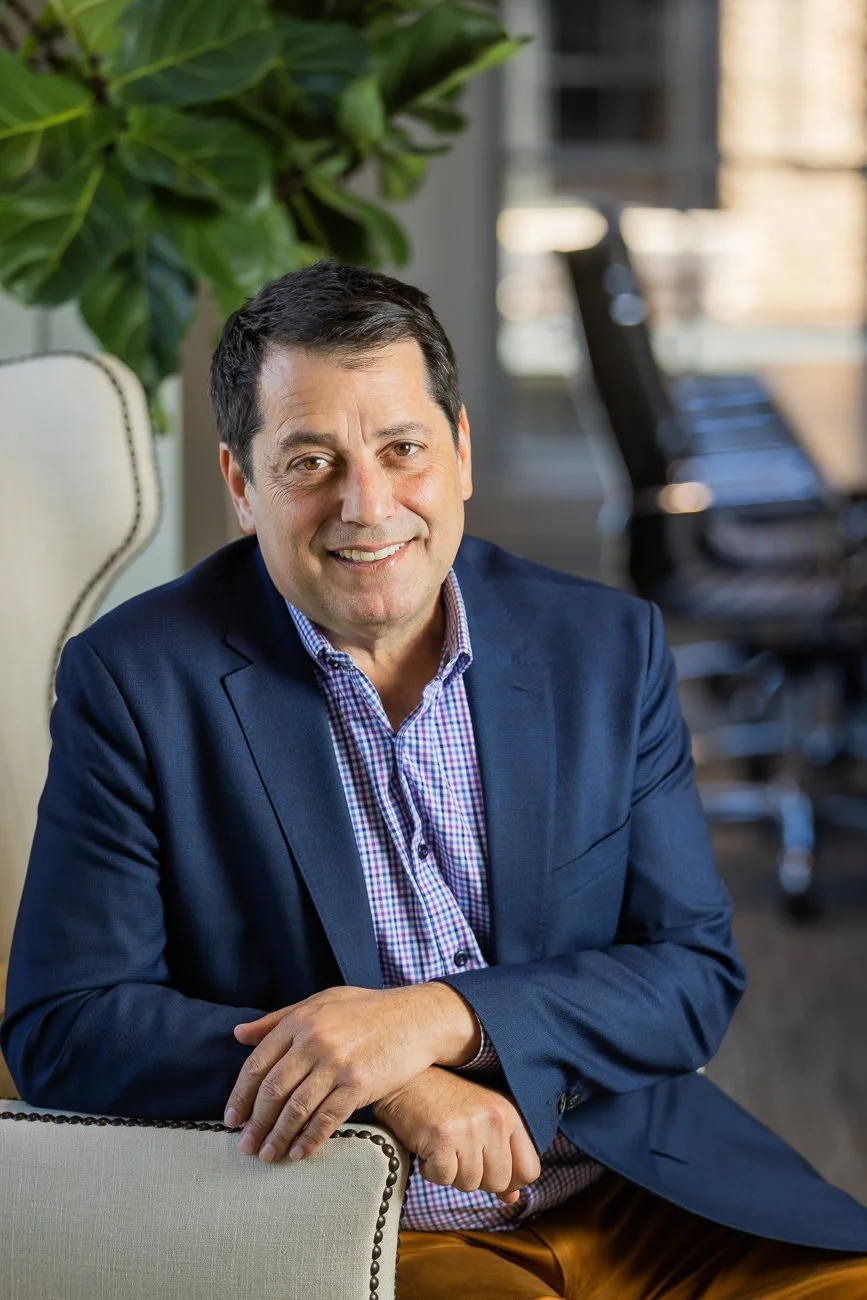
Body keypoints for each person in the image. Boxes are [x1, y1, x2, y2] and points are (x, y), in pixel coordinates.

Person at [2, 262, 866, 1299]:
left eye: (401, 448)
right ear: (241, 484)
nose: (366, 506)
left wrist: (440, 1016)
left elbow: (690, 976)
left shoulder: (603, 646)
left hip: (640, 1185)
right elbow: (68, 1025)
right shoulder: (137, 679)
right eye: (310, 460)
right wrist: (382, 1083)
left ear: (459, 452)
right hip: (364, 1219)